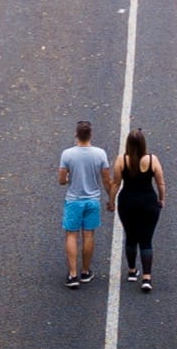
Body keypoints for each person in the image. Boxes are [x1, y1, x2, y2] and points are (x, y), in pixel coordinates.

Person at [108, 127, 165, 292]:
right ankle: (147, 277)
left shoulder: (121, 160)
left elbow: (116, 183)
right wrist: (161, 198)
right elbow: (160, 183)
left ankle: (132, 271)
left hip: (128, 202)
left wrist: (111, 201)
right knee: (146, 240)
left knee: (131, 237)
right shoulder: (152, 160)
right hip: (148, 203)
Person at [58, 120, 112, 287]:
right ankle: (85, 271)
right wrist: (111, 199)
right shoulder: (100, 154)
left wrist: (68, 178)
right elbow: (106, 179)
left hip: (74, 200)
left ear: (76, 135)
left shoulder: (67, 154)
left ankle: (73, 274)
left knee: (71, 235)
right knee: (88, 234)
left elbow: (61, 180)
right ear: (91, 135)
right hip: (92, 200)